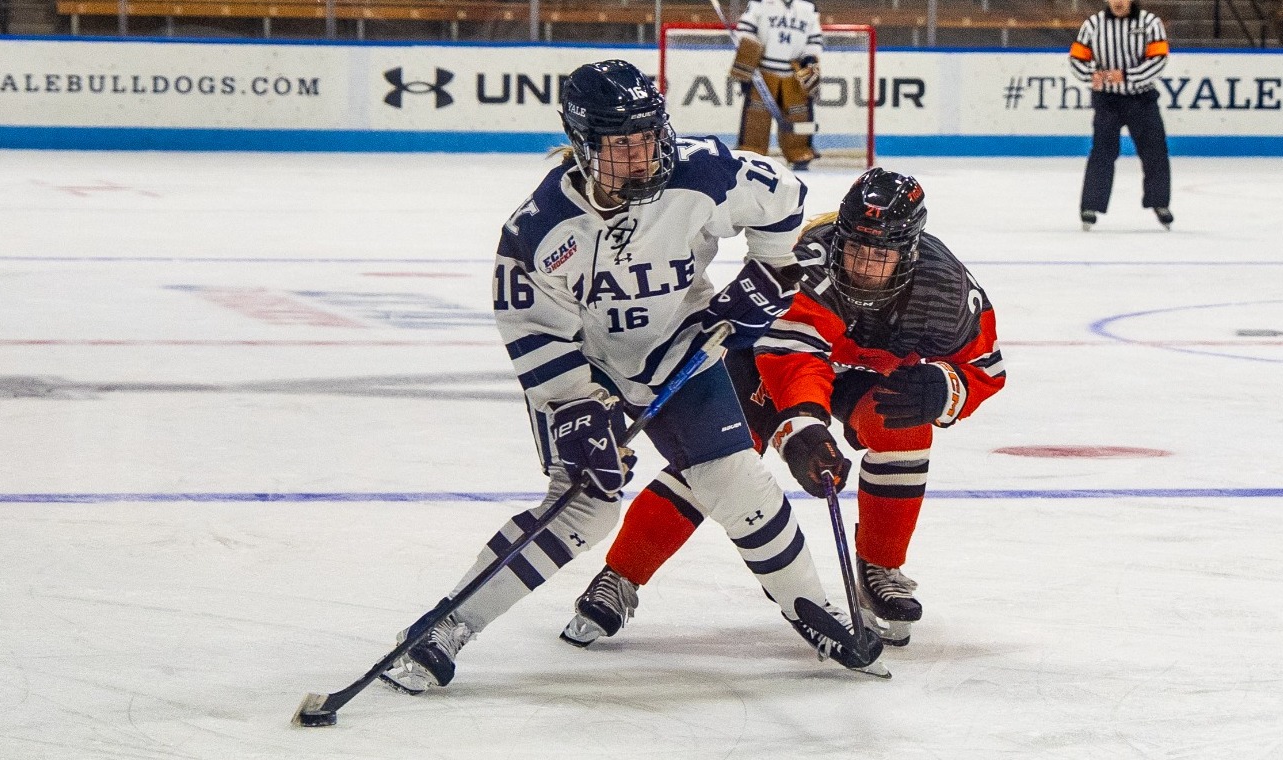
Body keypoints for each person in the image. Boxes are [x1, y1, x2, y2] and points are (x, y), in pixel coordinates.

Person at [379, 59, 885, 695]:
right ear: (583, 146)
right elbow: (532, 332)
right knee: (583, 510)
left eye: (648, 137)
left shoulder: (702, 172)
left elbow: (783, 202)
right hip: (589, 369)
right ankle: (444, 626)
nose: (641, 156)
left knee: (739, 482)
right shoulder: (538, 231)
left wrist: (774, 271)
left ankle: (814, 612)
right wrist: (575, 409)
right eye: (620, 144)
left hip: (683, 347)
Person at [561, 168, 1006, 649]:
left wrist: (947, 388)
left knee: (904, 425)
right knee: (719, 459)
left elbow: (986, 366)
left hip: (855, 368)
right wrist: (805, 432)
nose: (863, 266)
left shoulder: (945, 289)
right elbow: (792, 357)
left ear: (910, 253)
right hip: (765, 357)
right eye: (856, 249)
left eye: (881, 255)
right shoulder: (809, 261)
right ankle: (621, 575)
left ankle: (880, 565)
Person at [1069, 0, 1173, 231]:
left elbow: (1159, 60)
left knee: (1155, 150)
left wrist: (1126, 76)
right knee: (1102, 153)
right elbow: (1076, 59)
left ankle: (1160, 203)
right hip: (1107, 101)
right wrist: (1092, 75)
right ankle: (1090, 206)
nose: (1118, 1)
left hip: (1141, 99)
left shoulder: (1150, 23)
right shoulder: (1093, 25)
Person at [728, 0, 823, 170]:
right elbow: (745, 30)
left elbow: (814, 39)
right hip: (763, 71)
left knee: (798, 113)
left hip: (795, 74)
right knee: (756, 114)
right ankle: (751, 151)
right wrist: (748, 56)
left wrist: (809, 59)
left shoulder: (808, 7)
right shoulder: (760, 2)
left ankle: (799, 152)